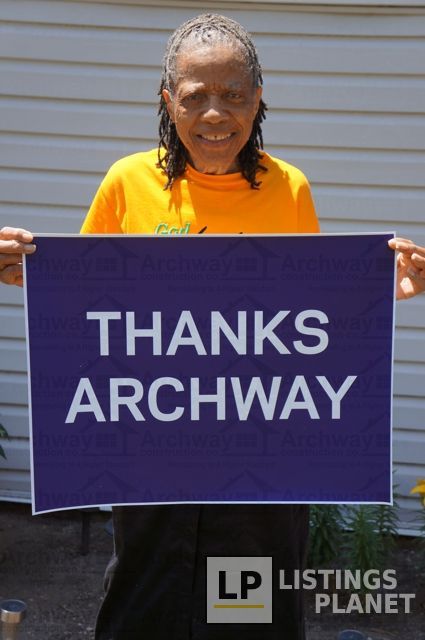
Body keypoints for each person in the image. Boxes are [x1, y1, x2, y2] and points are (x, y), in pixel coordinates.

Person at [0, 13, 424, 640]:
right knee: (148, 608)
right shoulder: (127, 183)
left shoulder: (288, 188)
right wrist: (31, 277)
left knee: (246, 614)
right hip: (152, 454)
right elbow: (89, 310)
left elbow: (305, 320)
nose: (215, 114)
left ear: (258, 99)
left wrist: (376, 293)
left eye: (233, 94)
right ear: (167, 101)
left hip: (259, 463)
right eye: (195, 96)